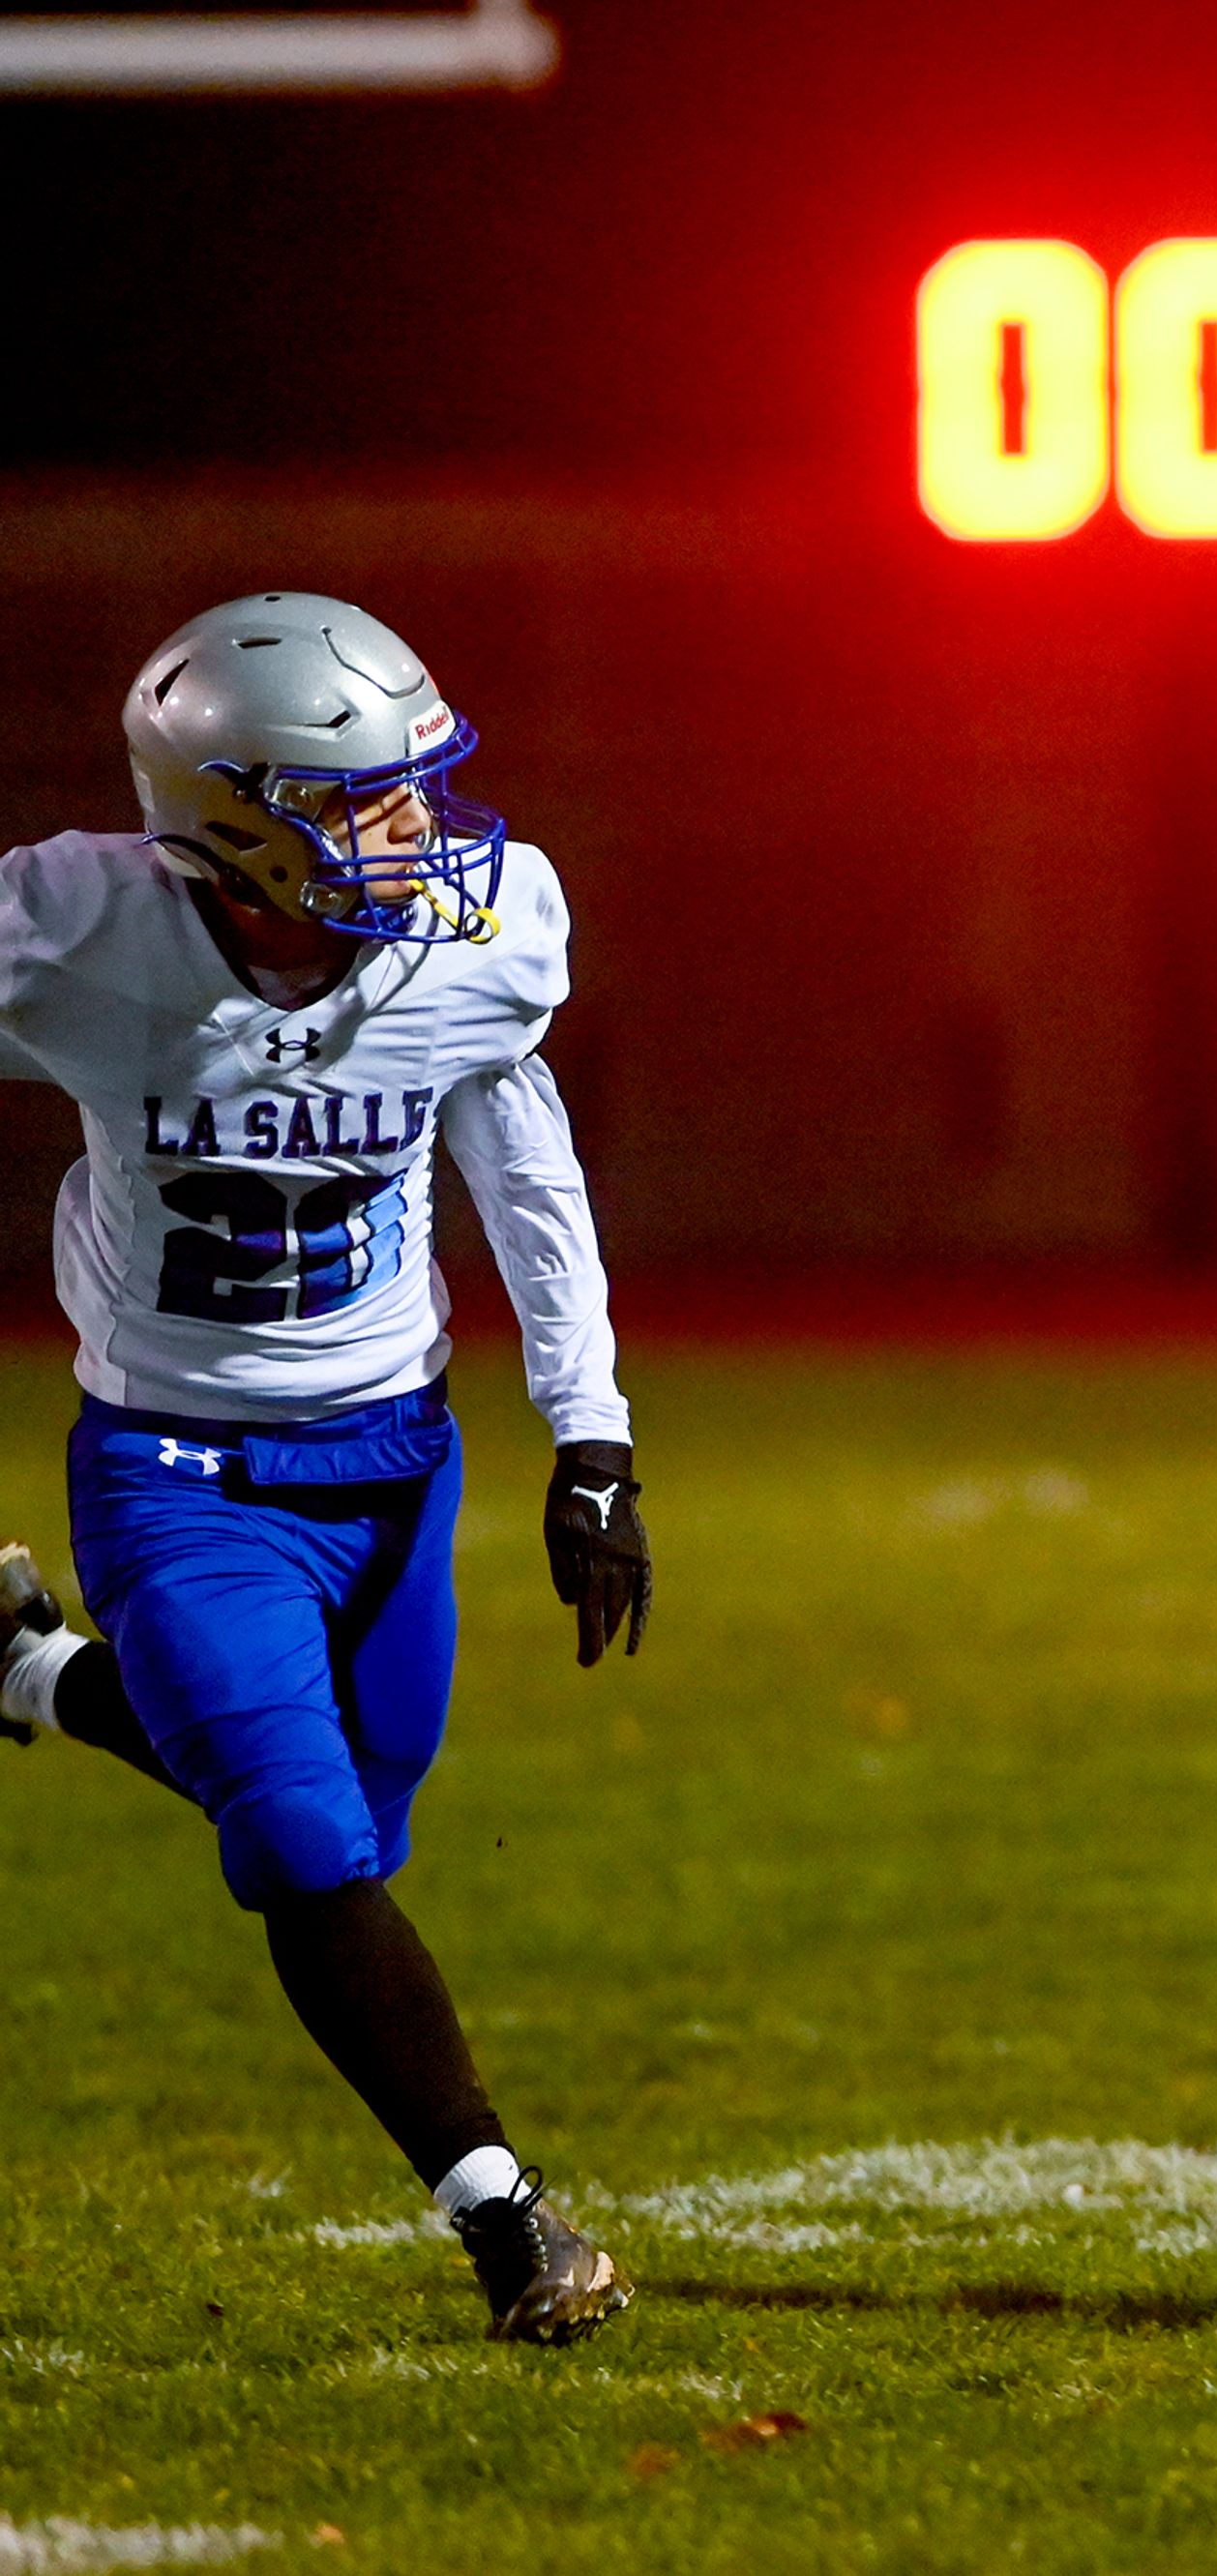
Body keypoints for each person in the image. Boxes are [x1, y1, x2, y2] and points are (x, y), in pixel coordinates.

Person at [0, 594, 647, 2345]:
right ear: (230, 823)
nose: (415, 834)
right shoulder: (72, 929)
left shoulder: (484, 930)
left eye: (415, 790)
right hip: (176, 1469)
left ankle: (40, 1681)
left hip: (394, 1457)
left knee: (357, 1819)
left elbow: (522, 1149)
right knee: (305, 1846)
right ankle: (508, 2221)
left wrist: (589, 1434)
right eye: (360, 804)